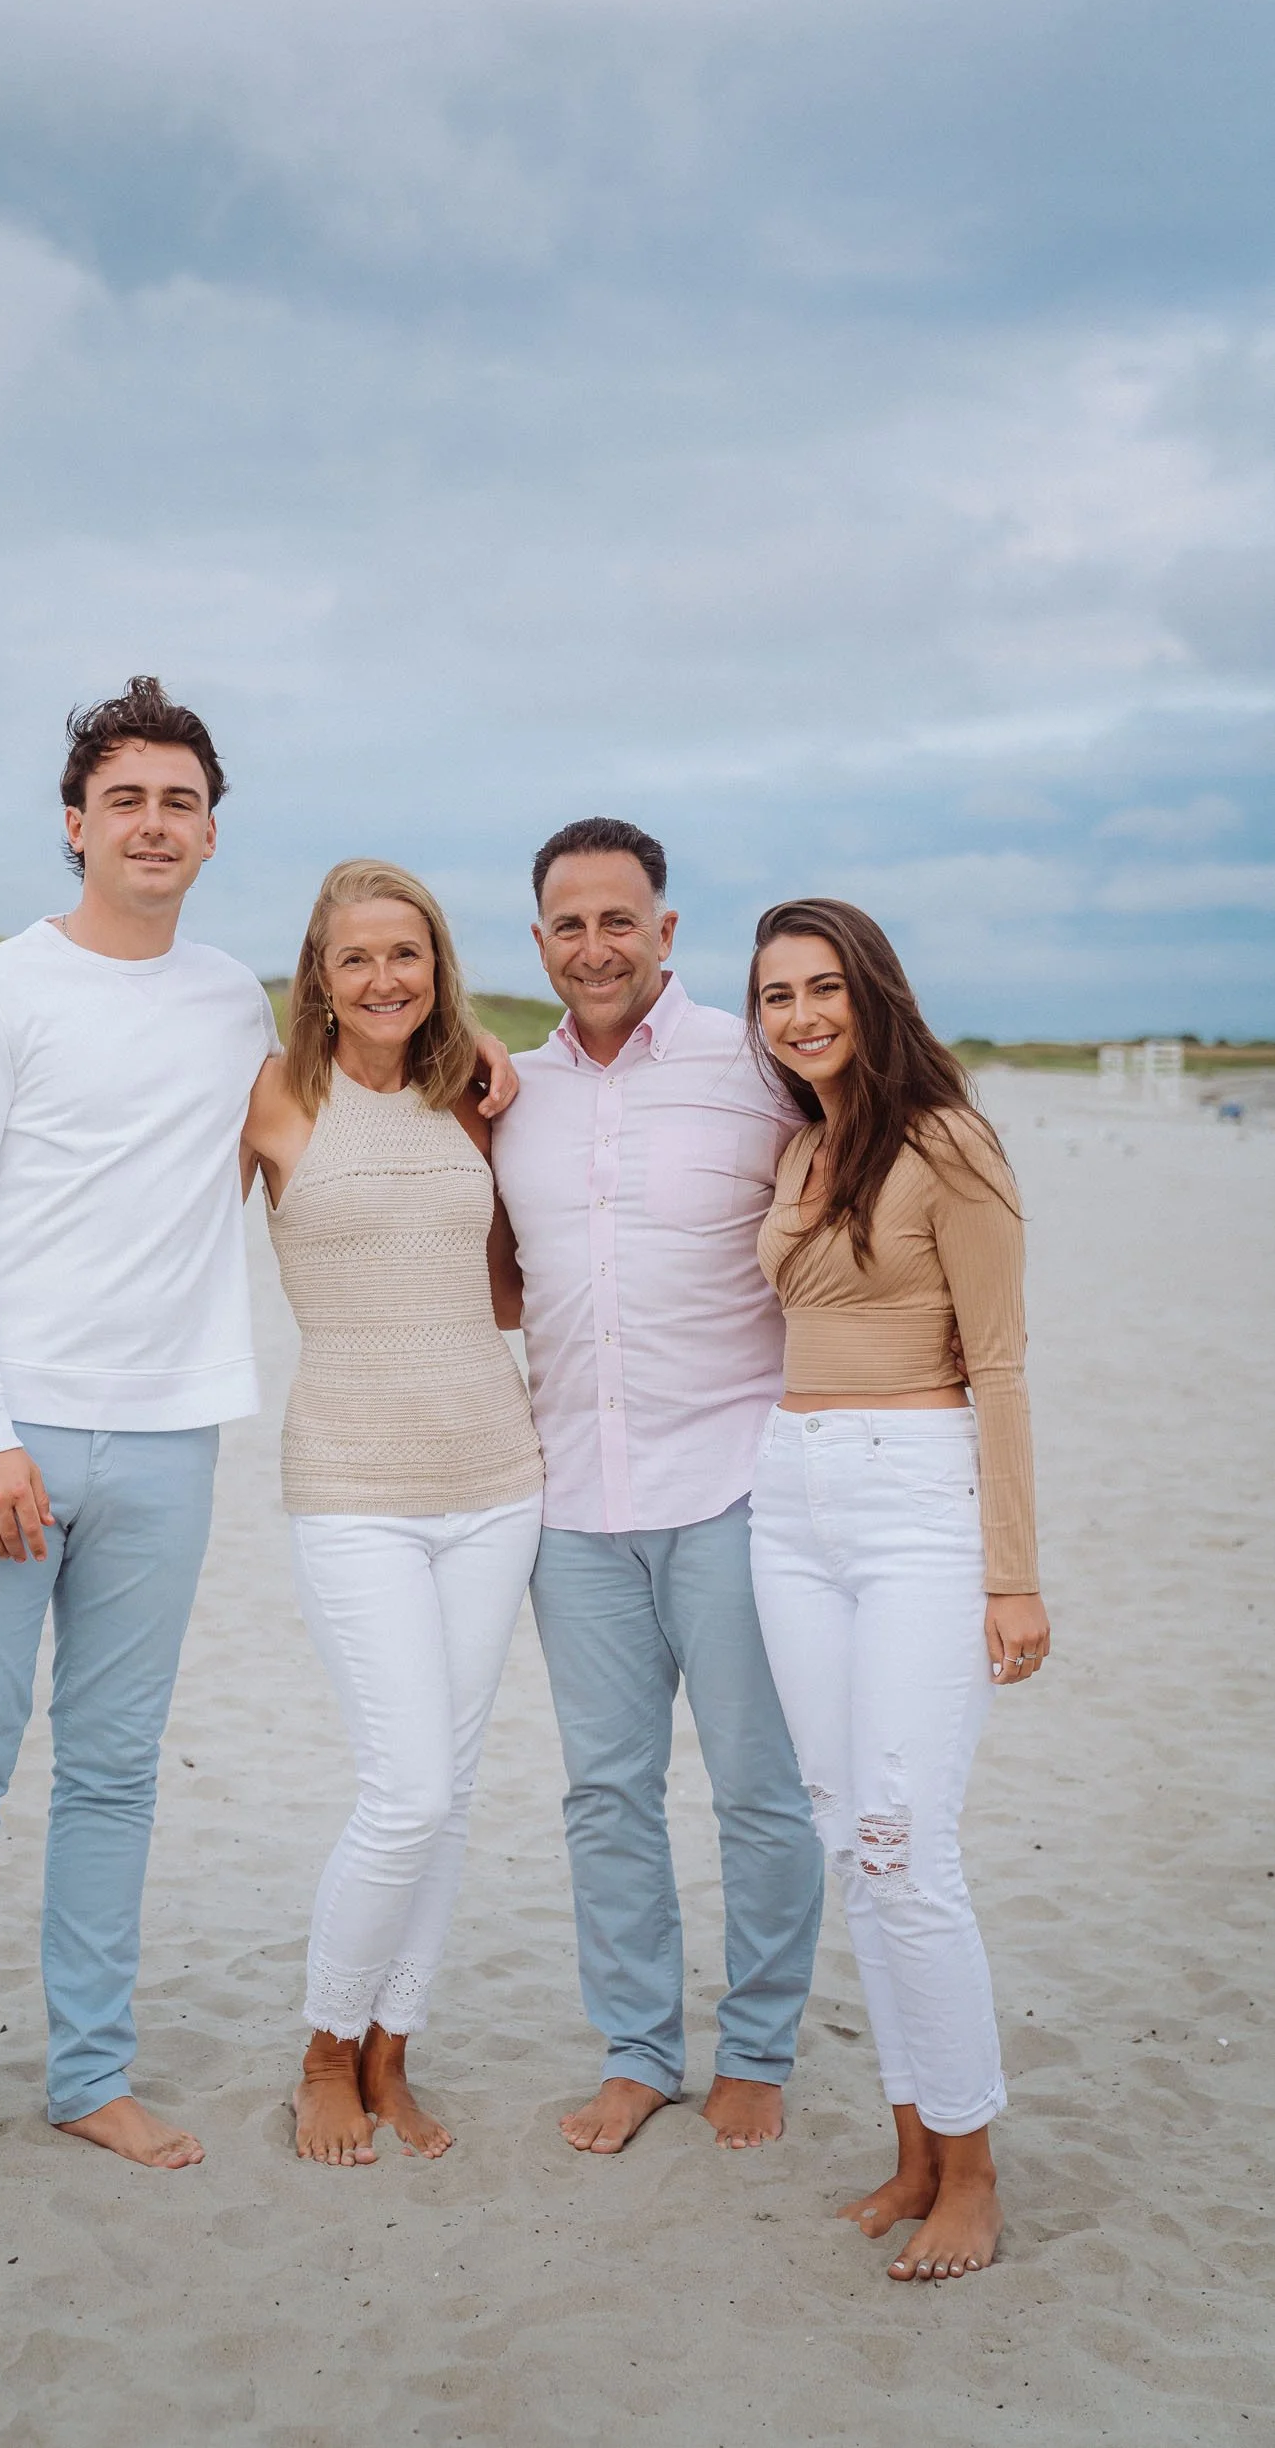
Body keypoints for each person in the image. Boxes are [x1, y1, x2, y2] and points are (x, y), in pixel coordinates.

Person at [0, 685, 517, 2216]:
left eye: (181, 801)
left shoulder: (233, 1013)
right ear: (75, 823)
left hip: (166, 1442)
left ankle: (89, 2080)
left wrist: (496, 1065)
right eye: (125, 798)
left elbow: (378, 1078)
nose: (154, 823)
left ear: (212, 834)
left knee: (114, 1773)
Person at [490, 819, 824, 2157]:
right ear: (537, 944)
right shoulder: (503, 1091)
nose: (593, 947)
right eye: (567, 925)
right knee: (605, 1795)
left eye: (617, 920)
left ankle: (755, 2051)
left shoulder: (758, 1070)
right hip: (569, 1507)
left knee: (756, 1788)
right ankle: (636, 2052)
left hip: (734, 1483)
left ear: (666, 931)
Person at [744, 897, 1050, 2284]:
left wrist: (1013, 1577)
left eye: (822, 988)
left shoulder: (948, 1141)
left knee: (904, 1844)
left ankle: (972, 2175)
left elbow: (1000, 1364)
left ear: (871, 992)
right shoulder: (804, 1145)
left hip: (915, 1500)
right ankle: (913, 2150)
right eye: (772, 997)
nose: (798, 1015)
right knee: (840, 1832)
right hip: (789, 1493)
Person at [243, 860, 544, 2167]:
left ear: (438, 969)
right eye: (355, 958)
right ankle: (321, 2047)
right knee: (406, 1787)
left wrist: (490, 1059)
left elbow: (508, 1288)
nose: (382, 979)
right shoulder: (273, 1095)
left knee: (454, 1786)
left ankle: (389, 2054)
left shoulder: (470, 1098)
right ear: (318, 972)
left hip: (493, 1478)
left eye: (405, 956)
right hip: (352, 1486)